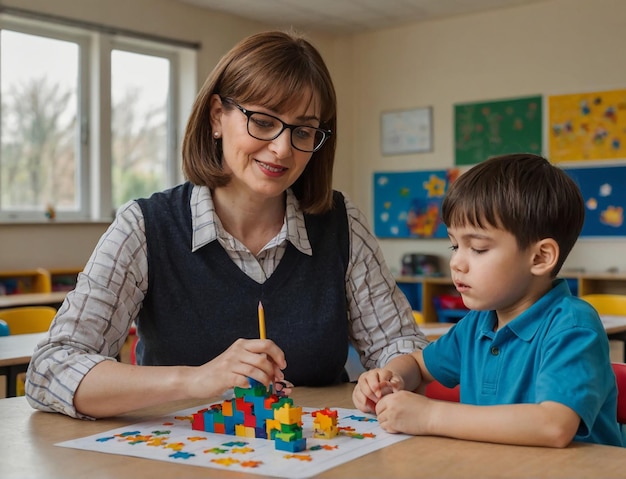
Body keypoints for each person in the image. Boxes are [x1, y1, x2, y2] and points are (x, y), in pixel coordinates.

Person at [25, 30, 428, 419]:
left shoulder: (341, 223)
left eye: (303, 130)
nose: (283, 148)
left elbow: (400, 345)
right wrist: (197, 379)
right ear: (217, 116)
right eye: (265, 122)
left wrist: (390, 376)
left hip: (314, 454)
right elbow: (51, 368)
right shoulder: (144, 227)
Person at [352, 153, 624, 448]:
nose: (456, 262)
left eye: (478, 249)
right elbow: (417, 364)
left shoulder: (572, 326)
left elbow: (554, 425)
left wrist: (432, 416)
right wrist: (389, 378)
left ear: (540, 257)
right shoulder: (478, 324)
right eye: (454, 245)